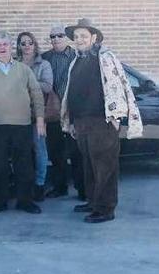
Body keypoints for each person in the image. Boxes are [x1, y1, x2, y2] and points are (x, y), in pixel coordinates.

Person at [61, 19, 143, 223]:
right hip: (82, 122)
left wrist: (116, 117)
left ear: (93, 38)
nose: (79, 40)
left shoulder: (105, 58)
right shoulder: (76, 60)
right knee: (88, 164)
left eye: (84, 36)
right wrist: (71, 121)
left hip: (102, 121)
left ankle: (105, 208)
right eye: (77, 36)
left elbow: (117, 85)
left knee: (105, 165)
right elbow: (72, 92)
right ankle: (92, 201)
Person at [0, 31, 45, 215]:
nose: (2, 47)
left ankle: (25, 201)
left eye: (5, 44)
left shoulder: (24, 69)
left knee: (25, 165)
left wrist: (40, 120)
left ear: (11, 46)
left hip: (22, 125)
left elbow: (36, 94)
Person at [41, 24, 82, 199]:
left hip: (73, 111)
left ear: (66, 38)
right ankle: (60, 187)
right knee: (56, 152)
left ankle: (83, 190)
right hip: (52, 111)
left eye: (59, 36)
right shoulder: (44, 58)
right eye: (52, 37)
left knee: (77, 153)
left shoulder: (76, 56)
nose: (56, 39)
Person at [16, 31, 53, 202]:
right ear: (19, 46)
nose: (27, 46)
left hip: (38, 114)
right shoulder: (13, 64)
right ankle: (24, 185)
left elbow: (47, 86)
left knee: (40, 150)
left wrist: (27, 82)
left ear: (35, 44)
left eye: (30, 42)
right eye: (23, 43)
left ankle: (39, 185)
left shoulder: (43, 64)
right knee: (22, 152)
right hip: (17, 114)